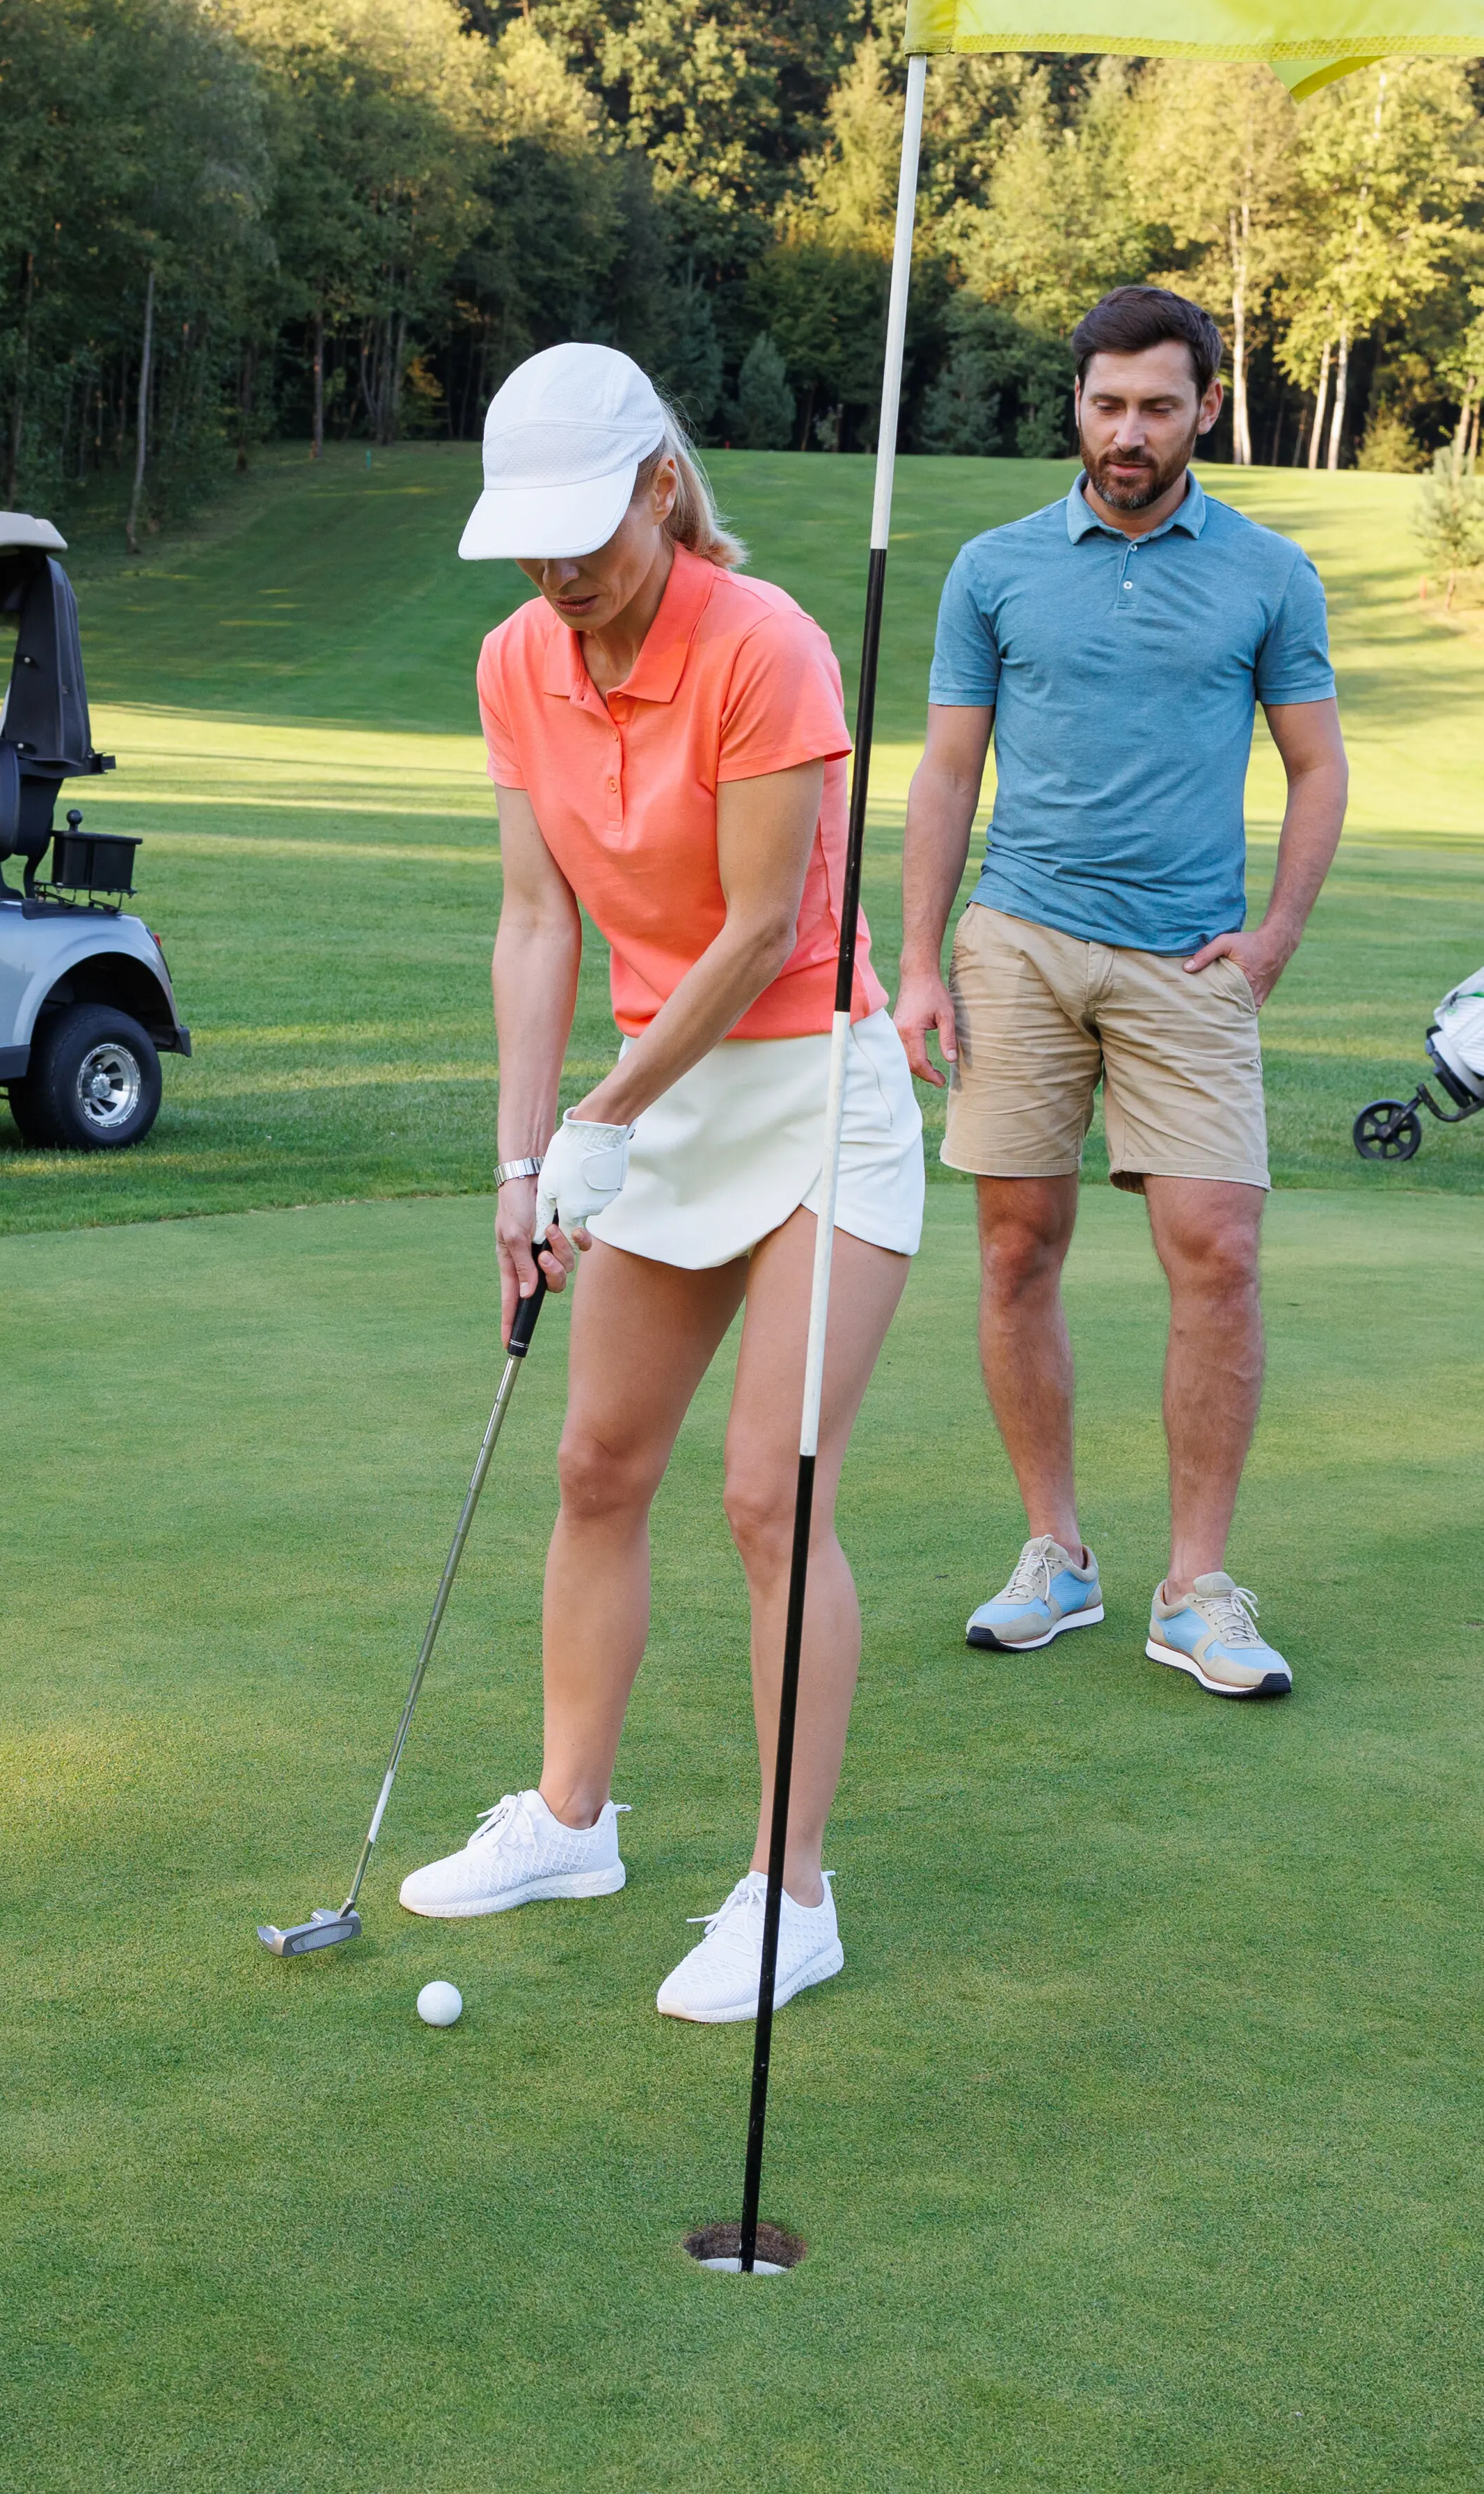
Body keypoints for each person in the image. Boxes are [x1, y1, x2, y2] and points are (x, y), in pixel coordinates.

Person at [393, 341, 926, 2023]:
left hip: (814, 1093)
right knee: (597, 1462)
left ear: (661, 489)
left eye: (587, 533)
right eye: (529, 541)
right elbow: (540, 918)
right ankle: (570, 1820)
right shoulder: (511, 662)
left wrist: (600, 1117)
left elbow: (768, 927)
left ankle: (794, 1893)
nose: (560, 571)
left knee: (770, 1496)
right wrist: (520, 1153)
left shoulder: (764, 644)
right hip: (654, 1104)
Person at [892, 284, 1350, 1699]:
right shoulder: (996, 567)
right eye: (1107, 405)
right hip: (1019, 942)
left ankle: (1196, 1587)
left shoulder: (1271, 574)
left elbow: (1318, 767)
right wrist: (916, 960)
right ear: (1077, 408)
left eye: (1159, 406)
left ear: (1207, 408)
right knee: (1018, 1250)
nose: (1130, 432)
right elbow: (948, 770)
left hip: (1190, 956)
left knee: (1218, 1251)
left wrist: (1275, 936)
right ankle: (1056, 1555)